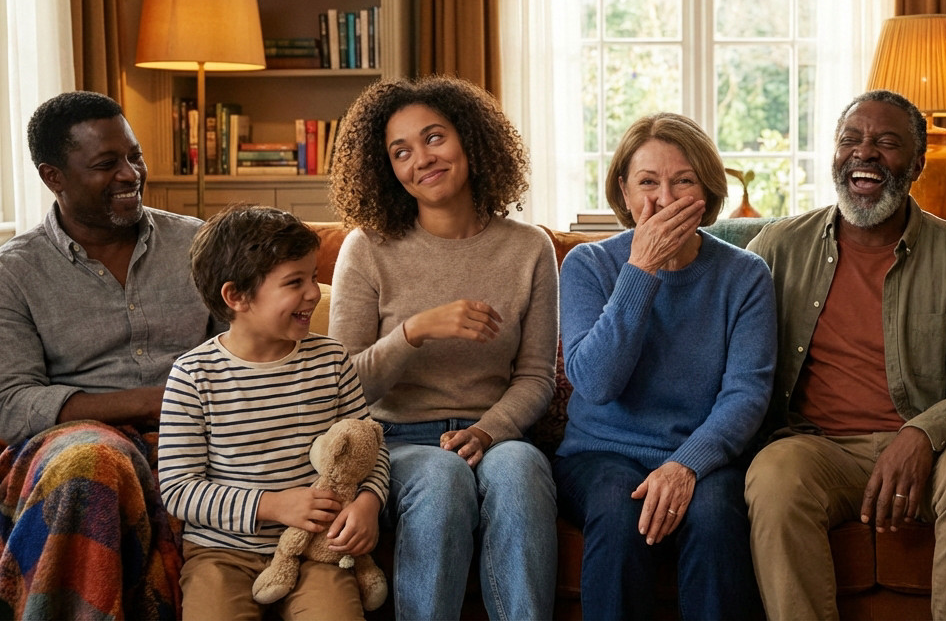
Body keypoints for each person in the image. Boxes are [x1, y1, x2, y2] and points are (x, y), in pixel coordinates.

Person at [744, 89, 946, 621]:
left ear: (916, 163)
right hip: (819, 449)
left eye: (886, 143)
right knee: (774, 475)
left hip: (935, 449)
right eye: (851, 139)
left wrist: (922, 434)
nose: (863, 153)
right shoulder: (777, 248)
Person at [326, 75, 557, 620]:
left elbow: (535, 378)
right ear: (388, 170)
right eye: (400, 152)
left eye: (434, 138)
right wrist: (414, 332)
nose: (420, 160)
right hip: (396, 440)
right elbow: (341, 384)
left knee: (523, 467)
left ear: (470, 141)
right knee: (442, 475)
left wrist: (488, 431)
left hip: (492, 433)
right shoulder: (366, 248)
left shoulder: (530, 249)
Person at [0, 91, 220, 619]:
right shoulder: (13, 272)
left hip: (201, 430)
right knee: (92, 464)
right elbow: (13, 404)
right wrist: (155, 401)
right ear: (54, 176)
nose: (130, 174)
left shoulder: (200, 245)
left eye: (134, 155)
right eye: (106, 164)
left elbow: (255, 348)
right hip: (75, 444)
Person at [555, 113, 776, 620]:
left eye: (683, 182)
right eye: (647, 183)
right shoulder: (588, 266)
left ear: (708, 193)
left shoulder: (745, 275)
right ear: (624, 193)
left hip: (700, 454)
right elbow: (595, 382)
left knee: (717, 515)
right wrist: (641, 269)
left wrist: (685, 464)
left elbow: (746, 395)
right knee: (617, 509)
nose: (664, 200)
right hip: (598, 453)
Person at [159, 204, 390, 621]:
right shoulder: (193, 375)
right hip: (221, 552)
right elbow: (178, 490)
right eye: (294, 282)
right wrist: (272, 505)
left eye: (313, 276)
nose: (313, 292)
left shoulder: (332, 360)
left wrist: (369, 503)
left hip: (318, 551)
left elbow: (368, 447)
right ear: (237, 296)